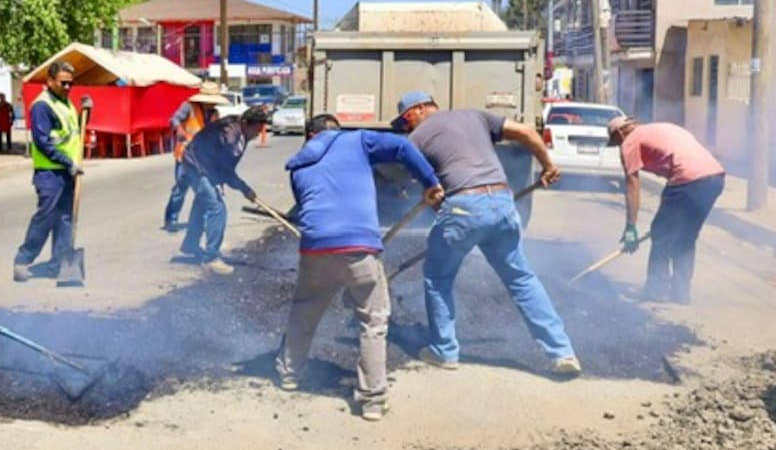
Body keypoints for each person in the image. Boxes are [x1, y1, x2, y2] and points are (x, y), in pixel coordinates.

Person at [393, 90, 582, 376]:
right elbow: (526, 131)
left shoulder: (416, 138)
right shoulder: (475, 115)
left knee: (437, 277)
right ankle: (562, 353)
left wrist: (439, 205)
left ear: (415, 111)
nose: (407, 128)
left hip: (464, 208)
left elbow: (432, 191)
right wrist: (548, 165)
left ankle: (444, 351)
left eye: (405, 122)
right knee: (521, 279)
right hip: (503, 204)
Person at [278, 114, 444, 422]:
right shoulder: (354, 139)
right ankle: (372, 400)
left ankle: (288, 373)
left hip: (315, 247)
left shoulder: (297, 164)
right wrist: (431, 183)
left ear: (309, 135)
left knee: (305, 310)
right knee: (373, 320)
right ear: (334, 131)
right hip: (358, 247)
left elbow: (306, 206)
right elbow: (402, 147)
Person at [607, 116, 725, 303]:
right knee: (686, 237)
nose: (617, 146)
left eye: (615, 142)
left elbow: (632, 185)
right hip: (715, 178)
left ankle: (656, 289)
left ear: (620, 133)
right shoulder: (662, 127)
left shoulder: (629, 142)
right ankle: (681, 293)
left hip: (687, 180)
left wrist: (631, 227)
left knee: (661, 234)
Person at [176, 106, 268, 275]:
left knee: (203, 203)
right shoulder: (231, 136)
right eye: (256, 129)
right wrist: (244, 188)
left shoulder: (239, 128)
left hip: (205, 164)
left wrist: (241, 187)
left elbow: (224, 165)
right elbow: (226, 170)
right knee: (217, 209)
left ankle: (190, 243)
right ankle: (211, 258)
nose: (257, 134)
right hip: (196, 164)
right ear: (247, 123)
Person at [13, 62, 83, 282]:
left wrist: (84, 113)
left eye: (70, 83)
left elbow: (69, 133)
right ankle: (23, 261)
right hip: (50, 173)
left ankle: (60, 263)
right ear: (50, 81)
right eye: (63, 82)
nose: (67, 87)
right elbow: (42, 142)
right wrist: (66, 161)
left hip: (68, 172)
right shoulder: (42, 106)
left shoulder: (67, 103)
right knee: (46, 217)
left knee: (65, 219)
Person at [162, 81, 227, 232]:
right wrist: (179, 129)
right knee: (180, 188)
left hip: (202, 159)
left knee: (203, 189)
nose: (211, 105)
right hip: (184, 155)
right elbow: (174, 119)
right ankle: (171, 219)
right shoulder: (189, 107)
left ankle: (202, 221)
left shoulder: (215, 115)